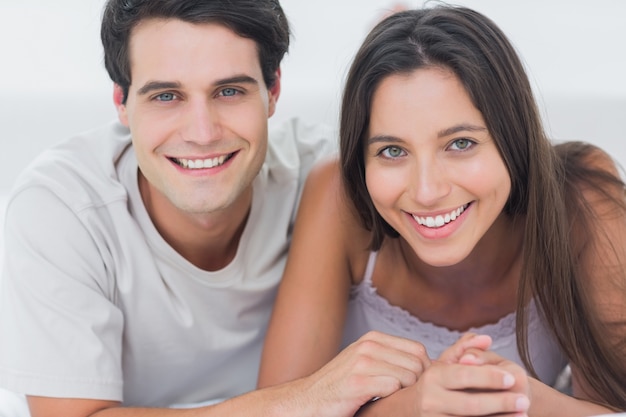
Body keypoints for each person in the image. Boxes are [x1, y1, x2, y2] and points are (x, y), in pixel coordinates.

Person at [0, 1, 443, 416]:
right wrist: (304, 400)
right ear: (121, 102)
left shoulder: (325, 180)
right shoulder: (61, 209)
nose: (202, 132)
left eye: (229, 91)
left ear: (273, 91)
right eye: (166, 96)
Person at [258, 5, 626, 416]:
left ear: (514, 134)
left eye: (461, 143)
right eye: (392, 151)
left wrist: (512, 394)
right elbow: (283, 407)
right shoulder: (338, 194)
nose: (427, 191)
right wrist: (412, 406)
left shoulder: (581, 196)